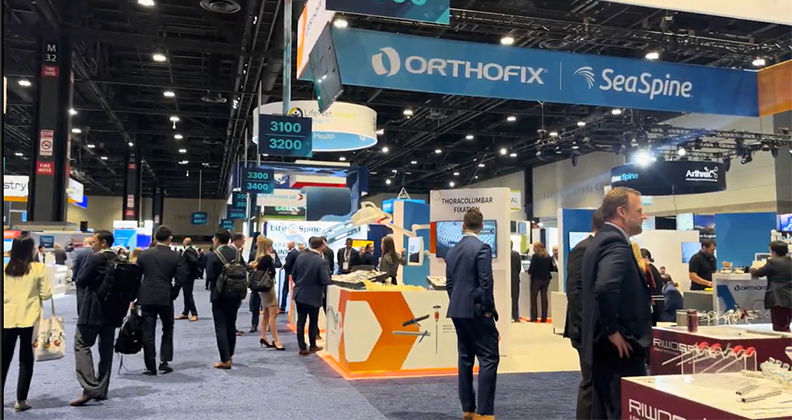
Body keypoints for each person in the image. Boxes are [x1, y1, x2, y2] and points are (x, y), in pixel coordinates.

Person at [581, 187, 651, 420]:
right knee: (621, 409)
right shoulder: (615, 243)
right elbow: (606, 287)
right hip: (620, 349)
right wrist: (613, 331)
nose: (644, 216)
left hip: (603, 346)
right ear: (621, 212)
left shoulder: (600, 239)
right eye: (639, 211)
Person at [445, 208, 499, 420]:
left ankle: (468, 409)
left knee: (465, 358)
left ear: (462, 225)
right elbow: (486, 283)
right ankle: (484, 412)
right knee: (488, 358)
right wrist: (487, 309)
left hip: (458, 311)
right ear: (482, 226)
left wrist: (458, 303)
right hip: (477, 312)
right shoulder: (482, 248)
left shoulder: (452, 251)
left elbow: (450, 284)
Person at [71, 231, 124, 406]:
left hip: (93, 309)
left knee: (82, 344)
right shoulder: (120, 260)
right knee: (106, 349)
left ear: (102, 242)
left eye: (94, 241)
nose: (91, 245)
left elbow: (81, 280)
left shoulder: (96, 259)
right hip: (113, 311)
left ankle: (89, 386)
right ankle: (101, 390)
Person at [3, 236, 53, 412]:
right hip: (30, 319)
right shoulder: (38, 268)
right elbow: (46, 294)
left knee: (3, 359)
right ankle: (21, 401)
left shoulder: (4, 269)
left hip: (6, 319)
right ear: (30, 250)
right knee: (26, 360)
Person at [564, 208, 604, 420]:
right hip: (586, 329)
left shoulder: (603, 247)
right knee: (591, 381)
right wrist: (586, 326)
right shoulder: (583, 249)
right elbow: (575, 291)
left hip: (599, 329)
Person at [134, 226, 186, 375]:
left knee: (148, 332)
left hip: (147, 296)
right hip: (166, 296)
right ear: (169, 238)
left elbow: (136, 278)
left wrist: (136, 296)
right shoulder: (176, 256)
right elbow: (180, 278)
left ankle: (150, 366)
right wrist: (173, 293)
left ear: (155, 238)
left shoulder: (144, 254)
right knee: (168, 328)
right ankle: (165, 361)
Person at [206, 229, 245, 369]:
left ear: (217, 239)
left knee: (220, 326)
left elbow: (210, 276)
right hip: (236, 293)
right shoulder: (237, 253)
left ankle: (225, 359)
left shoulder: (213, 255)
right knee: (231, 324)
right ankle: (231, 354)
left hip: (220, 294)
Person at [291, 236, 331, 356]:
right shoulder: (322, 261)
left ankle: (302, 347)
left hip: (299, 293)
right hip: (314, 295)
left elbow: (294, 275)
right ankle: (312, 346)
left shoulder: (301, 257)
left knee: (301, 321)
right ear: (322, 245)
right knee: (313, 321)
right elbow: (325, 280)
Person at [750, 241, 792, 332]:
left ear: (774, 252)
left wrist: (752, 269)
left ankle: (782, 346)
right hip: (790, 300)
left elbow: (758, 273)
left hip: (779, 299)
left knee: (780, 329)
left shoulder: (773, 262)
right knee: (785, 326)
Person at [252, 237, 285, 350]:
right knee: (273, 314)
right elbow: (273, 271)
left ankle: (264, 337)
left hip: (262, 288)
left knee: (266, 313)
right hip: (268, 288)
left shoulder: (259, 258)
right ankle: (276, 339)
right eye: (271, 246)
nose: (272, 248)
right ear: (267, 246)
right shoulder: (266, 257)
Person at [527, 242, 556, 323]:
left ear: (537, 248)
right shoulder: (548, 256)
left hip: (536, 279)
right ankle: (544, 317)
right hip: (546, 279)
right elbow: (551, 268)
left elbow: (531, 269)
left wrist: (529, 272)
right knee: (544, 297)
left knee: (534, 298)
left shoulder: (535, 256)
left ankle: (534, 317)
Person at [177, 238, 199, 322]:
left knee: (188, 294)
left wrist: (188, 271)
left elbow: (194, 261)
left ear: (184, 243)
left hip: (187, 276)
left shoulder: (188, 251)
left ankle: (194, 313)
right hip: (189, 276)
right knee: (186, 294)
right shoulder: (191, 250)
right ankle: (185, 312)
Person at [72, 238, 94, 315]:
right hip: (92, 278)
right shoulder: (95, 252)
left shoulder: (78, 251)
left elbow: (75, 266)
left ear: (84, 243)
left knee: (80, 296)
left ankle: (81, 314)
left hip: (80, 278)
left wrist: (74, 277)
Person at [280, 241, 299, 314]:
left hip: (289, 274)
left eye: (288, 244)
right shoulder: (297, 253)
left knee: (285, 290)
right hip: (294, 275)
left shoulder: (291, 254)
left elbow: (288, 264)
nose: (287, 245)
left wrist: (283, 266)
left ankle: (283, 307)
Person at [510, 241, 522, 323]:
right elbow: (519, 267)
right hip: (515, 278)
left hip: (506, 278)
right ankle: (515, 316)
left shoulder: (504, 255)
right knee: (515, 298)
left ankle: (506, 315)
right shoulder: (516, 254)